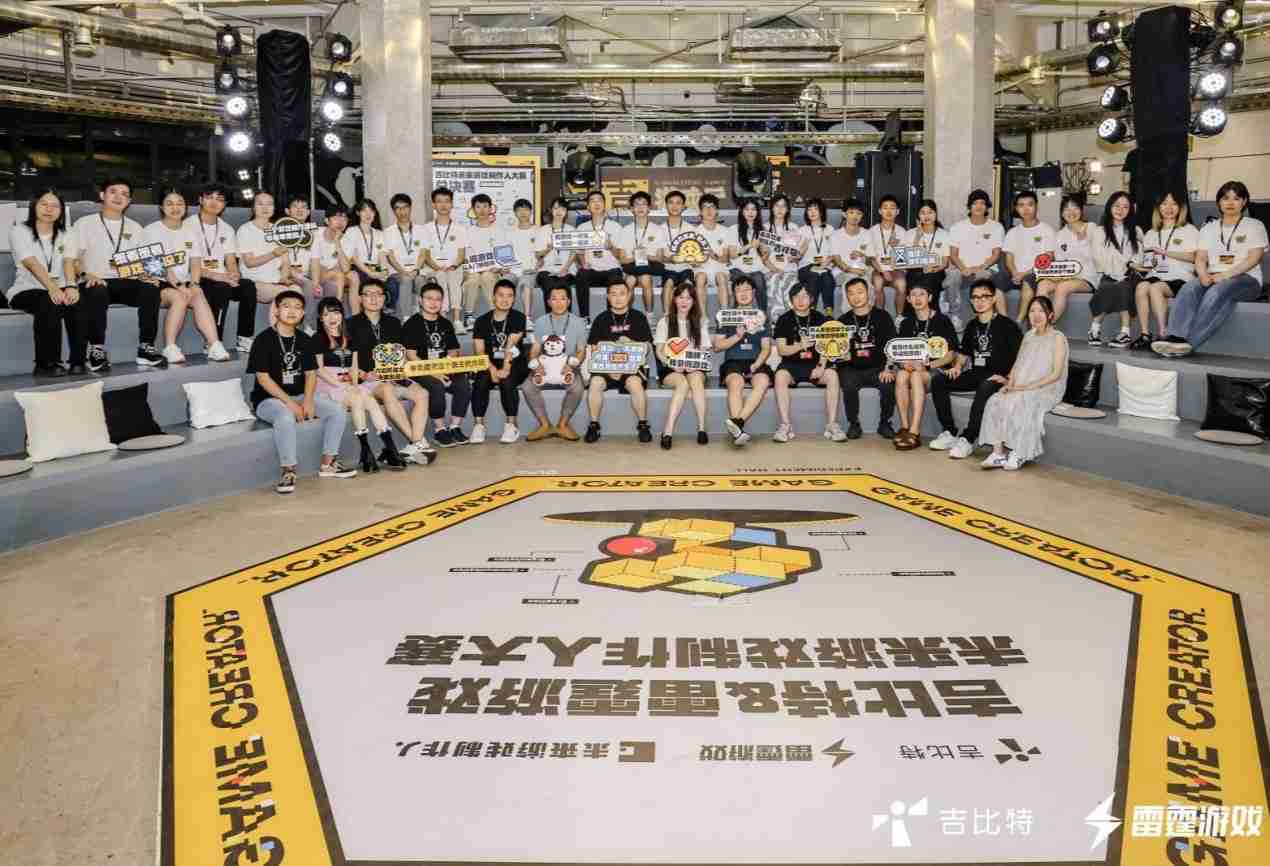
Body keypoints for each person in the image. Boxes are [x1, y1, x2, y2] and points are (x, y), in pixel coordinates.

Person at [246, 290, 357, 494]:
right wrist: (290, 403)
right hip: (268, 400)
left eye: (297, 307)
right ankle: (288, 470)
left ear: (303, 313)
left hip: (299, 396)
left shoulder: (305, 339)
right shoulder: (263, 340)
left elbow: (311, 374)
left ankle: (328, 463)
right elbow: (263, 379)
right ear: (276, 310)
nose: (292, 311)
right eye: (286, 306)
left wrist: (308, 401)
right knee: (285, 417)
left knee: (337, 411)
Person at [1153, 181, 1267, 357]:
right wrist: (1202, 274)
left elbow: (1255, 258)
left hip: (1246, 279)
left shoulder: (1254, 225)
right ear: (1219, 202)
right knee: (1189, 288)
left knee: (1218, 290)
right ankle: (1174, 336)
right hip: (1214, 276)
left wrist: (1226, 274)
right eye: (1225, 198)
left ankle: (1187, 342)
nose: (1230, 202)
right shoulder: (1209, 228)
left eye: (1236, 198)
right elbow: (1200, 258)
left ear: (1244, 202)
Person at [64, 176, 166, 371]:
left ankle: (146, 347)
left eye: (124, 194)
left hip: (125, 281)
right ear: (102, 195)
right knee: (98, 291)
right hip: (95, 281)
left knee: (151, 289)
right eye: (113, 192)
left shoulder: (135, 227)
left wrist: (149, 275)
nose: (119, 197)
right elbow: (72, 259)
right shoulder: (84, 224)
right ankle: (96, 349)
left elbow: (149, 262)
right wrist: (85, 274)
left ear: (129, 201)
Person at [928, 278, 1023, 459]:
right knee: (939, 380)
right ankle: (949, 431)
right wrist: (957, 367)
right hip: (976, 373)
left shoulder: (1008, 325)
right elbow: (964, 353)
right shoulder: (972, 325)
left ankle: (968, 438)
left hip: (997, 376)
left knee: (985, 386)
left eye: (984, 297)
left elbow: (1021, 357)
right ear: (971, 301)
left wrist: (1009, 378)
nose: (980, 301)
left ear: (993, 299)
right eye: (975, 297)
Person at [311, 297, 407, 473]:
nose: (332, 318)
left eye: (336, 312)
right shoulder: (317, 338)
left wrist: (354, 384)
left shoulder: (348, 337)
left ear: (342, 315)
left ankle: (389, 448)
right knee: (357, 400)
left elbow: (354, 366)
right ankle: (367, 449)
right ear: (320, 318)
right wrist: (341, 386)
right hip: (328, 384)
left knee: (370, 401)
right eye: (326, 314)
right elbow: (319, 369)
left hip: (348, 382)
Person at [347, 281, 436, 464]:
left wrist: (400, 372)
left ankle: (414, 444)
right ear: (360, 298)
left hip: (394, 376)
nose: (374, 298)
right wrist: (363, 374)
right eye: (368, 294)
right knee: (387, 389)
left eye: (378, 294)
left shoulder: (393, 323)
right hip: (369, 381)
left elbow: (400, 353)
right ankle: (418, 442)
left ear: (384, 298)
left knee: (422, 393)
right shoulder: (350, 324)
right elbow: (348, 361)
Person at [978, 296, 1069, 471]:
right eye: (1032, 311)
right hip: (1023, 385)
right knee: (996, 400)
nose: (1036, 315)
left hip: (1047, 388)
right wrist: (1009, 384)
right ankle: (998, 454)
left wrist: (1025, 388)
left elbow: (1056, 374)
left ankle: (1020, 452)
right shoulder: (1028, 335)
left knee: (1022, 401)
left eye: (1041, 311)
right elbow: (1017, 364)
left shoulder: (1058, 337)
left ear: (1050, 315)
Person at [143, 188, 228, 365]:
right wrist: (179, 285)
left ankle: (214, 344)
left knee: (198, 294)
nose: (175, 208)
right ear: (161, 207)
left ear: (186, 207)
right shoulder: (151, 230)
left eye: (179, 203)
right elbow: (158, 265)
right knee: (180, 297)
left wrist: (195, 284)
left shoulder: (190, 231)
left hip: (184, 281)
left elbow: (195, 261)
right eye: (169, 204)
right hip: (159, 282)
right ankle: (170, 347)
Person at [8, 189, 81, 376]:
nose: (49, 209)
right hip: (27, 289)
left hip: (61, 287)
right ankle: (46, 364)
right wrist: (52, 288)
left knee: (80, 301)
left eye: (55, 206)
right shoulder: (19, 231)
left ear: (61, 211)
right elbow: (31, 262)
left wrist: (71, 286)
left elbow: (68, 261)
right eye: (44, 204)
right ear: (34, 206)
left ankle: (78, 361)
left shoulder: (69, 232)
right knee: (49, 301)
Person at [889, 282, 960, 450]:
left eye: (921, 294)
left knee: (915, 376)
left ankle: (915, 432)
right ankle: (905, 428)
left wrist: (927, 365)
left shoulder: (942, 320)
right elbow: (899, 352)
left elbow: (951, 354)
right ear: (908, 299)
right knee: (901, 375)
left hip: (936, 370)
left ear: (930, 297)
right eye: (913, 295)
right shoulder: (907, 323)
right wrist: (904, 363)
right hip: (913, 369)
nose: (917, 298)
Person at [772, 282, 846, 443]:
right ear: (791, 299)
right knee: (780, 376)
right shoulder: (784, 319)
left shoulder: (821, 318)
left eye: (805, 296)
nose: (800, 300)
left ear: (812, 299)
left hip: (815, 364)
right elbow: (782, 350)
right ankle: (785, 425)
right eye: (796, 296)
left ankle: (832, 424)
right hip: (791, 365)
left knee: (832, 375)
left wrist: (821, 365)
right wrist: (800, 345)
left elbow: (827, 347)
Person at [402, 282, 473, 447]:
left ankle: (455, 427)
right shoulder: (412, 324)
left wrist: (446, 363)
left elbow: (454, 350)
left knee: (463, 383)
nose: (433, 303)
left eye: (438, 299)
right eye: (429, 298)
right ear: (420, 300)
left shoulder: (446, 323)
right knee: (436, 385)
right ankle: (439, 430)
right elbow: (411, 355)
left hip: (443, 367)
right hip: (419, 369)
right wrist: (434, 372)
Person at [584, 278, 654, 444]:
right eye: (613, 294)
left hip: (632, 367)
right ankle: (594, 425)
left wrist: (632, 343)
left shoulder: (638, 317)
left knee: (635, 384)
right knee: (595, 383)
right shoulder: (601, 319)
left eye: (622, 294)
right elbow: (593, 348)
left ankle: (643, 425)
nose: (618, 298)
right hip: (605, 367)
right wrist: (609, 369)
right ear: (608, 297)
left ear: (629, 296)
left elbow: (648, 348)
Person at [187, 182, 256, 352]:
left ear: (224, 204)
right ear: (200, 200)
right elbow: (187, 264)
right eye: (209, 197)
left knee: (248, 286)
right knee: (221, 288)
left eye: (219, 199)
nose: (214, 202)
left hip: (221, 277)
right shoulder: (187, 226)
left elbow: (230, 260)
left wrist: (233, 274)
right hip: (196, 277)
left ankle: (244, 337)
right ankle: (213, 341)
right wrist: (217, 276)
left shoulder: (227, 228)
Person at [1132, 192, 1199, 350]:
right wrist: (1139, 265)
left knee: (1155, 288)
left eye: (1173, 204)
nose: (1169, 208)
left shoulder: (1189, 230)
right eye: (1164, 203)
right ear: (1158, 208)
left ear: (1181, 208)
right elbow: (1149, 262)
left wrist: (1165, 252)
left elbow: (1195, 257)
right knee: (1141, 287)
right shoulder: (1151, 233)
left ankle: (1163, 333)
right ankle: (1145, 334)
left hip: (1180, 277)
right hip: (1156, 274)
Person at [834, 276, 897, 440]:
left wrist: (888, 368)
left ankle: (885, 423)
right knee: (848, 384)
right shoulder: (842, 321)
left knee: (888, 384)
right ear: (847, 297)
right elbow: (836, 352)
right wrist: (841, 356)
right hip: (851, 368)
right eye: (851, 293)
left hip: (878, 367)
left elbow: (892, 345)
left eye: (860, 292)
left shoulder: (883, 316)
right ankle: (853, 423)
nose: (856, 297)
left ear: (868, 293)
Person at [523, 284, 588, 441]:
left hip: (568, 366)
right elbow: (535, 348)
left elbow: (581, 350)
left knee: (577, 388)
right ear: (548, 302)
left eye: (563, 299)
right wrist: (536, 364)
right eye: (554, 299)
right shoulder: (540, 322)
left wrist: (572, 366)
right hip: (545, 365)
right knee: (527, 387)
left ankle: (562, 424)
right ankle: (544, 425)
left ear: (569, 301)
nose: (559, 303)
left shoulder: (579, 323)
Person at [470, 278, 530, 444]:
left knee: (507, 380)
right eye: (501, 295)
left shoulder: (519, 317)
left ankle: (512, 425)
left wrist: (505, 368)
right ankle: (478, 425)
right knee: (481, 379)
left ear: (514, 299)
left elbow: (511, 345)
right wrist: (491, 369)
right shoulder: (481, 321)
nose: (505, 299)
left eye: (509, 296)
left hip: (514, 361)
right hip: (489, 362)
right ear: (493, 297)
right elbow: (479, 351)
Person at [714, 276, 772, 446]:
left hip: (756, 361)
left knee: (763, 381)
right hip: (733, 361)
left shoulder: (761, 316)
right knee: (736, 382)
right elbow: (717, 346)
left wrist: (756, 365)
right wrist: (737, 337)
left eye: (747, 289)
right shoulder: (726, 316)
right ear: (734, 294)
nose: (743, 293)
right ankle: (738, 430)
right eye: (739, 290)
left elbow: (766, 348)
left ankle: (738, 423)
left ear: (753, 292)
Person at [654, 281, 712, 449]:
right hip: (670, 367)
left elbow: (704, 350)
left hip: (694, 365)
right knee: (682, 383)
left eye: (688, 298)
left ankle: (702, 428)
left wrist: (694, 364)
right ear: (674, 299)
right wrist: (673, 364)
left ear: (694, 301)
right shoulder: (665, 321)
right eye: (680, 297)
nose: (684, 301)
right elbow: (659, 351)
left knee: (696, 380)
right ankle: (668, 431)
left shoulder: (700, 321)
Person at [1088, 191, 1143, 349]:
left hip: (1130, 274)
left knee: (1123, 286)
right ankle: (1094, 330)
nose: (1120, 210)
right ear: (1109, 207)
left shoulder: (1136, 230)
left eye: (1125, 207)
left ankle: (1125, 333)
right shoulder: (1099, 231)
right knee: (1107, 286)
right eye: (1117, 205)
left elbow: (1138, 256)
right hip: (1108, 273)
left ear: (1130, 210)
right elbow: (1099, 257)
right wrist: (1123, 264)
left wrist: (1128, 265)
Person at [235, 191, 292, 339]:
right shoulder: (245, 230)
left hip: (276, 282)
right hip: (255, 283)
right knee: (286, 295)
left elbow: (286, 262)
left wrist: (284, 278)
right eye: (260, 204)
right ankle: (277, 338)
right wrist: (273, 253)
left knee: (296, 290)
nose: (265, 207)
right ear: (253, 208)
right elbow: (249, 262)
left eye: (269, 204)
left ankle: (286, 335)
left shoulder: (278, 230)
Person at [946, 189, 1004, 328]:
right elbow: (953, 254)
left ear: (987, 206)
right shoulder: (958, 227)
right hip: (962, 268)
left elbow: (996, 254)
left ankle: (984, 318)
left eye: (982, 203)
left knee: (982, 277)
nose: (978, 206)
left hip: (986, 268)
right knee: (952, 277)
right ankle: (955, 315)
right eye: (975, 203)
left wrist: (980, 267)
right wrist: (963, 268)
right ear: (969, 206)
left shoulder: (996, 227)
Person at [1037, 194, 1098, 322]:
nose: (1071, 212)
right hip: (1066, 276)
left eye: (1075, 208)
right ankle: (1039, 321)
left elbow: (1096, 257)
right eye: (1067, 209)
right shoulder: (1059, 235)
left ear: (1081, 210)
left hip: (1087, 277)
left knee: (1063, 287)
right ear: (1062, 213)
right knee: (1043, 284)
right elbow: (1060, 262)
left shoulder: (1092, 228)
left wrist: (1082, 241)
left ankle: (1047, 324)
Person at [996, 190, 1056, 322]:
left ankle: (1018, 321)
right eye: (1021, 205)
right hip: (1015, 274)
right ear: (1016, 208)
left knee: (1028, 280)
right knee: (996, 279)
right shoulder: (1012, 232)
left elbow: (1048, 259)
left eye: (1030, 204)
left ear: (1036, 206)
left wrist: (1023, 274)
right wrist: (1014, 272)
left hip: (1036, 274)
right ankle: (1004, 322)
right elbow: (1009, 258)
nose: (1026, 209)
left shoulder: (1047, 230)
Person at [420, 186, 468, 332]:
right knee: (441, 276)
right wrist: (437, 267)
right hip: (432, 268)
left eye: (447, 201)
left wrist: (454, 266)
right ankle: (443, 317)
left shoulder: (460, 229)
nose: (443, 205)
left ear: (451, 204)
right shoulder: (425, 228)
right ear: (433, 205)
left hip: (454, 267)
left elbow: (461, 255)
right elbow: (425, 255)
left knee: (453, 277)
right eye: (439, 201)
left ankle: (457, 320)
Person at [575, 190, 626, 324]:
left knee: (616, 278)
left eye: (600, 200)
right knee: (580, 275)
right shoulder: (582, 227)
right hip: (592, 270)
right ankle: (584, 317)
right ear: (588, 207)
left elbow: (620, 255)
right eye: (592, 201)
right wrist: (583, 262)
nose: (596, 203)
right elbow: (579, 251)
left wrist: (611, 247)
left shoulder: (615, 226)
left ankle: (613, 319)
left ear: (604, 205)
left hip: (611, 269)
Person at [460, 192, 506, 328]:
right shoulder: (468, 231)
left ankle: (496, 315)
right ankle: (468, 316)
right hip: (473, 270)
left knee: (487, 276)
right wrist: (467, 269)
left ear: (491, 208)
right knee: (473, 279)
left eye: (485, 206)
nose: (482, 210)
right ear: (473, 210)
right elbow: (465, 256)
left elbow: (504, 255)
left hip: (492, 270)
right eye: (478, 207)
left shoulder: (498, 231)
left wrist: (498, 267)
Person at [308, 204, 359, 323]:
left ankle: (356, 317)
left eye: (344, 218)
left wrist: (337, 243)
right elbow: (315, 262)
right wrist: (315, 284)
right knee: (337, 273)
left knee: (354, 275)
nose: (341, 222)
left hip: (336, 273)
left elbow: (346, 269)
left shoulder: (347, 240)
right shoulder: (316, 234)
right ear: (327, 220)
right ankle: (338, 308)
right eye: (336, 217)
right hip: (316, 271)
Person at [655, 190, 705, 310]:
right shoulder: (659, 229)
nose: (674, 206)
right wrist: (670, 259)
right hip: (668, 268)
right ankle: (667, 316)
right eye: (671, 202)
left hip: (686, 267)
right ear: (666, 205)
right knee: (668, 285)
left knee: (688, 286)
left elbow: (697, 255)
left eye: (678, 203)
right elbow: (659, 257)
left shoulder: (691, 229)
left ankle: (691, 316)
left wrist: (691, 259)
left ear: (683, 206)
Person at [383, 192, 429, 321]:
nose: (402, 211)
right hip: (397, 272)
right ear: (393, 211)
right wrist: (403, 271)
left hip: (417, 271)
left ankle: (425, 316)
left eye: (405, 207)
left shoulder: (421, 229)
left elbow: (423, 254)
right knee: (406, 279)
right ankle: (406, 318)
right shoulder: (388, 231)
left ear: (410, 208)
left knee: (420, 281)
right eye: (398, 208)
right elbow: (390, 257)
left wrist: (416, 270)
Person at [903, 199, 950, 320]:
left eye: (930, 212)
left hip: (936, 271)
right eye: (923, 213)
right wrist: (917, 238)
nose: (927, 216)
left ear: (935, 214)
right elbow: (907, 260)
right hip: (915, 270)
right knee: (915, 277)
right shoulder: (910, 233)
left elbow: (945, 262)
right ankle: (910, 317)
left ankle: (933, 316)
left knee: (929, 279)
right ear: (918, 216)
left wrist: (934, 269)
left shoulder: (944, 234)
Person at [619, 190, 665, 315]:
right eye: (636, 204)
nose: (640, 207)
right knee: (629, 280)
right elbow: (622, 259)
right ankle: (624, 315)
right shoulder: (625, 230)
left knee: (645, 278)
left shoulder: (657, 229)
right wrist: (634, 257)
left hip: (651, 270)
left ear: (649, 208)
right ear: (631, 209)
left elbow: (660, 258)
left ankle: (649, 315)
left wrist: (645, 255)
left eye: (644, 204)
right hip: (632, 268)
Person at [762, 193, 805, 317]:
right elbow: (764, 257)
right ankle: (776, 321)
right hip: (771, 269)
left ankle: (792, 321)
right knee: (775, 281)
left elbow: (798, 254)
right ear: (771, 208)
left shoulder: (794, 227)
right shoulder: (765, 228)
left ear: (787, 209)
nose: (780, 209)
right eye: (777, 205)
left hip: (789, 269)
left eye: (783, 206)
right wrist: (776, 269)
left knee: (791, 285)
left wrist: (795, 256)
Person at [343, 198, 390, 307]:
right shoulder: (352, 231)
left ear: (375, 213)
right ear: (358, 213)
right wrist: (370, 273)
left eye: (371, 210)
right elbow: (353, 258)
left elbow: (382, 255)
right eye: (364, 210)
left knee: (392, 282)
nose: (368, 214)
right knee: (370, 282)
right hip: (359, 268)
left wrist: (384, 272)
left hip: (375, 268)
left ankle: (383, 307)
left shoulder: (379, 234)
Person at [829, 199, 872, 317]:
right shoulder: (835, 235)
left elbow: (871, 259)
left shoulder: (867, 234)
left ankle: (868, 316)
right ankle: (848, 317)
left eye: (859, 213)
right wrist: (852, 270)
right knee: (853, 282)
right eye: (851, 212)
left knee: (868, 285)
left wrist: (862, 255)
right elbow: (837, 260)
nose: (855, 216)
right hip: (842, 271)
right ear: (844, 214)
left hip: (862, 270)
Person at [535, 196, 577, 315]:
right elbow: (538, 255)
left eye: (562, 208)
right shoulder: (543, 230)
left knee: (563, 286)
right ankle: (550, 318)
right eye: (556, 208)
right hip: (546, 269)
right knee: (549, 285)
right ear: (551, 210)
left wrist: (565, 268)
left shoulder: (571, 230)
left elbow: (574, 252)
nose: (559, 211)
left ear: (566, 211)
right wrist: (548, 249)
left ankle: (566, 318)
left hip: (567, 270)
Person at [868, 194, 908, 318]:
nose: (889, 211)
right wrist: (883, 271)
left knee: (902, 285)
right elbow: (871, 258)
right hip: (878, 269)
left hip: (896, 269)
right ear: (880, 211)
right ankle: (880, 317)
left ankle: (899, 317)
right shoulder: (872, 231)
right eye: (885, 207)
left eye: (892, 208)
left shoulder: (902, 232)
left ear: (897, 211)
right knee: (878, 284)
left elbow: (903, 259)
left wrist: (896, 248)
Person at [797, 197, 836, 315]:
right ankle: (811, 310)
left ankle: (829, 312)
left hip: (824, 266)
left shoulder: (830, 229)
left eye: (816, 209)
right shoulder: (802, 230)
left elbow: (834, 253)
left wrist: (825, 263)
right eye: (809, 209)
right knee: (814, 275)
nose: (812, 212)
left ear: (821, 212)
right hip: (806, 267)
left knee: (827, 278)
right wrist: (805, 244)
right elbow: (797, 256)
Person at [729, 198, 769, 312]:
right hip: (738, 268)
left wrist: (765, 251)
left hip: (756, 269)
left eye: (753, 209)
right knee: (740, 285)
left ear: (757, 212)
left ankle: (763, 315)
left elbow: (764, 255)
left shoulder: (763, 230)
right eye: (747, 209)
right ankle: (737, 316)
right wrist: (749, 245)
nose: (750, 212)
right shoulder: (734, 229)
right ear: (742, 211)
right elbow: (732, 255)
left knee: (760, 281)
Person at [696, 194, 734, 309]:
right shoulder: (694, 232)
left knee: (721, 277)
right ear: (700, 211)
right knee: (700, 278)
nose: (708, 210)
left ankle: (724, 313)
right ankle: (703, 316)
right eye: (705, 207)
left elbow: (726, 258)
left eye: (712, 206)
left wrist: (714, 256)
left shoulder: (725, 231)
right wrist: (699, 259)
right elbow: (692, 262)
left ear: (717, 210)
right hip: (702, 269)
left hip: (720, 268)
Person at [507, 199, 541, 324]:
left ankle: (527, 319)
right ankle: (503, 317)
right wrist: (505, 268)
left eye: (526, 209)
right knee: (503, 283)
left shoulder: (539, 231)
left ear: (531, 212)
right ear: (515, 213)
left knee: (526, 282)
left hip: (531, 271)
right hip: (513, 271)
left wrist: (538, 266)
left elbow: (542, 254)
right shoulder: (509, 232)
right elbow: (506, 254)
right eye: (519, 210)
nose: (523, 213)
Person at [282, 195, 317, 308]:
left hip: (305, 276)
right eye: (295, 206)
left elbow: (315, 261)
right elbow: (276, 260)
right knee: (307, 286)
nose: (300, 210)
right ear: (287, 211)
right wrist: (292, 272)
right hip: (283, 274)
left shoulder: (314, 233)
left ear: (308, 212)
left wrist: (316, 282)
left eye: (303, 207)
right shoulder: (278, 231)